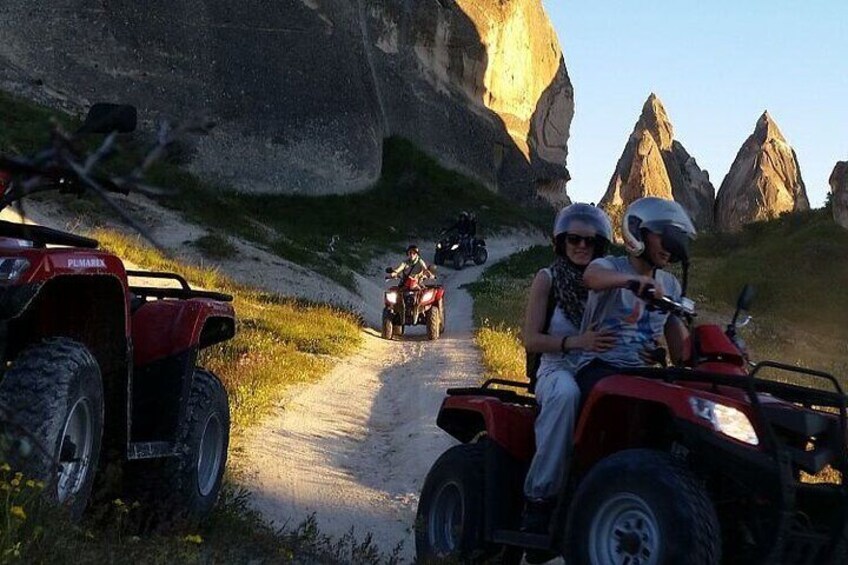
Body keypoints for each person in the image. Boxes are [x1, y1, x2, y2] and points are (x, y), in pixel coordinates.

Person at [521, 203, 616, 532]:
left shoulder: (608, 285)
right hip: (556, 368)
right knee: (565, 394)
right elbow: (531, 339)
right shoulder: (547, 279)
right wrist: (576, 343)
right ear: (561, 242)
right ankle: (540, 499)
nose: (581, 246)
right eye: (573, 239)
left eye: (590, 241)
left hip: (599, 367)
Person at [576, 196, 697, 397]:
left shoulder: (670, 285)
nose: (669, 244)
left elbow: (681, 355)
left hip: (643, 373)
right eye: (662, 234)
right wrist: (632, 281)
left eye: (674, 237)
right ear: (637, 232)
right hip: (600, 368)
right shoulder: (611, 266)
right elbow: (591, 277)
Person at [388, 244, 434, 322]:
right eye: (410, 253)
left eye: (414, 253)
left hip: (417, 283)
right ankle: (399, 310)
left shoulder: (420, 261)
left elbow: (425, 269)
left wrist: (429, 275)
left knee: (424, 294)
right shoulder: (405, 262)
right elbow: (399, 269)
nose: (412, 255)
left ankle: (420, 308)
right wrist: (393, 274)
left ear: (417, 254)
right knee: (395, 295)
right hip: (405, 284)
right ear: (408, 254)